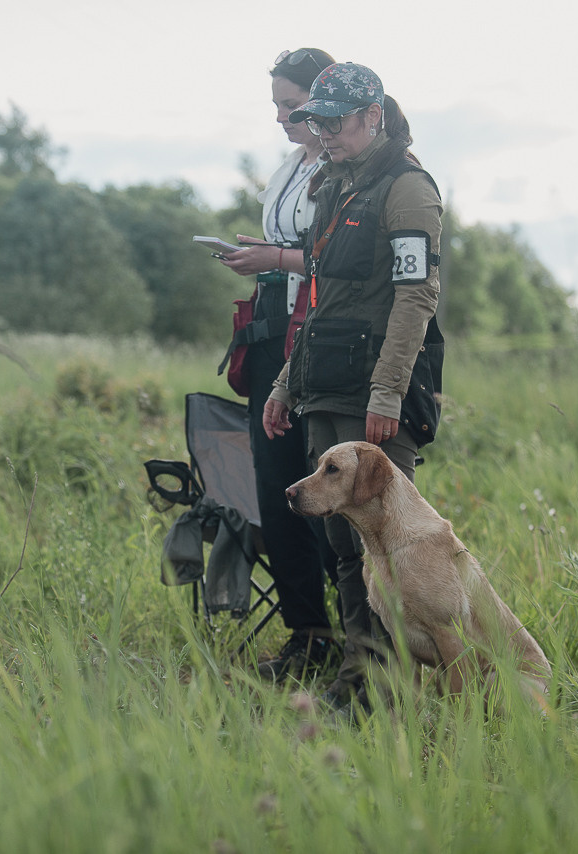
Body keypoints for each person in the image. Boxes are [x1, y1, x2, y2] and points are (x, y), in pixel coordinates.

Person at [262, 62, 444, 707]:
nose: (325, 133)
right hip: (325, 385)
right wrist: (287, 382)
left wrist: (388, 393)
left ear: (373, 116)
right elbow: (316, 297)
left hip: (375, 391)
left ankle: (395, 692)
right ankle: (359, 681)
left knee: (392, 554)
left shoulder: (407, 188)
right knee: (343, 546)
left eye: (336, 122)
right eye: (318, 121)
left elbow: (415, 296)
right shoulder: (331, 185)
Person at [215, 48, 340, 680]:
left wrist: (276, 260)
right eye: (278, 108)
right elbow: (292, 248)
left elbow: (342, 262)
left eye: (293, 107)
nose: (284, 120)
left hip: (317, 340)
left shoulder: (346, 173)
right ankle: (307, 638)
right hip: (270, 335)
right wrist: (258, 255)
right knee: (276, 487)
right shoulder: (290, 166)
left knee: (318, 490)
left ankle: (355, 640)